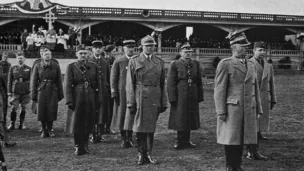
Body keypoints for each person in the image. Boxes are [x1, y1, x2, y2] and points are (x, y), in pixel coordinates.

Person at [214, 31, 263, 171]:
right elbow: (219, 90)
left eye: (246, 45)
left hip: (249, 108)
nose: (246, 48)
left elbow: (256, 88)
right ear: (234, 47)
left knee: (243, 138)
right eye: (242, 45)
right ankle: (231, 165)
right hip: (233, 109)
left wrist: (258, 108)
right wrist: (221, 111)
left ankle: (238, 166)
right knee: (231, 138)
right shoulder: (226, 64)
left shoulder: (251, 64)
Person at [126, 35, 168, 165]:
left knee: (151, 127)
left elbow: (162, 83)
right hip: (140, 97)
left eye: (152, 45)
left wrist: (163, 101)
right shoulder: (134, 61)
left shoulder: (159, 62)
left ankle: (149, 153)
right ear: (142, 47)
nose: (149, 48)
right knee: (139, 127)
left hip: (154, 97)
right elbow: (130, 84)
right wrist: (131, 102)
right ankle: (141, 153)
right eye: (147, 46)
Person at [64, 45, 101, 155]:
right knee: (77, 121)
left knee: (89, 120)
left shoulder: (94, 66)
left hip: (90, 95)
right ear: (76, 54)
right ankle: (78, 145)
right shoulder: (71, 67)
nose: (83, 55)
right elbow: (67, 84)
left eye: (85, 53)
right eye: (81, 53)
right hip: (77, 95)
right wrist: (69, 100)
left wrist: (98, 99)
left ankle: (85, 145)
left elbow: (98, 83)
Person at [167, 42, 204, 150]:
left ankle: (187, 140)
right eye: (185, 51)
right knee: (181, 117)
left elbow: (199, 81)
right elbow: (171, 82)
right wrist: (172, 97)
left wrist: (199, 95)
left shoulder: (196, 64)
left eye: (189, 52)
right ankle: (179, 141)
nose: (188, 54)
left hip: (192, 93)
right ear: (180, 52)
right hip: (180, 94)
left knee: (190, 117)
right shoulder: (175, 64)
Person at [246, 41, 277, 160]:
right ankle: (252, 150)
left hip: (264, 98)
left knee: (260, 122)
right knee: (252, 124)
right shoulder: (248, 64)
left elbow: (271, 84)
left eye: (264, 50)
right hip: (252, 99)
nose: (263, 53)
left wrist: (273, 99)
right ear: (253, 51)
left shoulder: (268, 66)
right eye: (260, 50)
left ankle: (256, 142)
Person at [30, 45, 64, 138]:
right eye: (45, 54)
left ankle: (50, 129)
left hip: (53, 90)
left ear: (51, 56)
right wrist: (33, 95)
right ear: (42, 56)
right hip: (42, 90)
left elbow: (59, 81)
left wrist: (60, 94)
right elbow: (34, 81)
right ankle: (44, 130)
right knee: (42, 110)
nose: (47, 56)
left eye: (49, 54)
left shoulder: (56, 66)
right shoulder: (38, 66)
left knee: (51, 110)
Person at [110, 40, 136, 148]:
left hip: (133, 93)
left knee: (131, 115)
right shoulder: (119, 61)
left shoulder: (136, 60)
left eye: (132, 47)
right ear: (123, 49)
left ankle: (129, 137)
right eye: (128, 47)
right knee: (122, 115)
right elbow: (113, 78)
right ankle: (123, 138)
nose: (130, 49)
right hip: (122, 93)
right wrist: (114, 93)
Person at [87, 40, 111, 143]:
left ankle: (100, 134)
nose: (97, 49)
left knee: (102, 113)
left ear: (102, 49)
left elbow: (108, 77)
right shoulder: (89, 61)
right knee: (92, 113)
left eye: (99, 48)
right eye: (95, 48)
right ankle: (92, 134)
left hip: (103, 91)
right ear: (92, 49)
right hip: (92, 91)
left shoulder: (105, 62)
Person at [7, 52, 31, 130]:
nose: (20, 59)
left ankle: (21, 123)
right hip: (16, 90)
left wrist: (30, 90)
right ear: (16, 59)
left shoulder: (28, 68)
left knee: (23, 107)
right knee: (14, 107)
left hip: (25, 90)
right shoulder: (13, 68)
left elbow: (31, 80)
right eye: (18, 58)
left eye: (21, 58)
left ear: (24, 59)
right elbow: (10, 80)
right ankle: (12, 123)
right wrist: (9, 91)